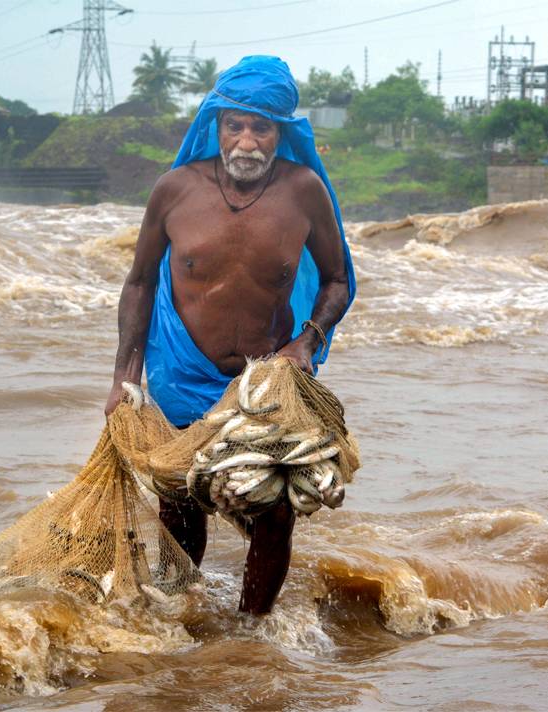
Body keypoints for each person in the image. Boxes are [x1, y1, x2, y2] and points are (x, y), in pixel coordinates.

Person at [104, 56, 356, 615]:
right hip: (178, 375)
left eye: (261, 127)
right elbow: (140, 282)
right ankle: (182, 624)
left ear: (280, 133)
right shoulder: (175, 190)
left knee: (274, 511)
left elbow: (338, 280)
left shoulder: (303, 191)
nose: (246, 141)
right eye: (234, 125)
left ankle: (252, 638)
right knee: (180, 506)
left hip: (263, 385)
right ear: (215, 127)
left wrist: (305, 343)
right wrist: (125, 377)